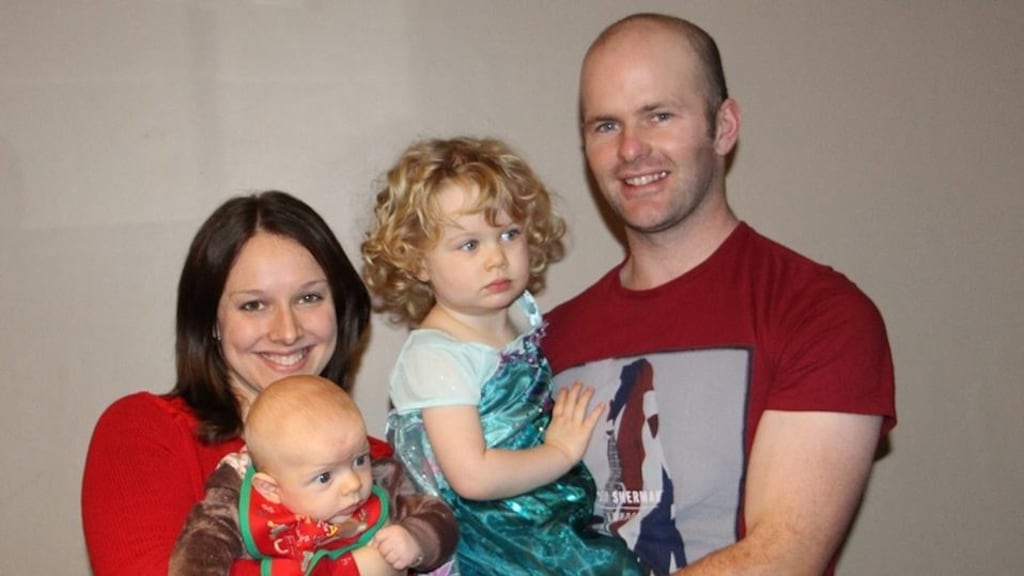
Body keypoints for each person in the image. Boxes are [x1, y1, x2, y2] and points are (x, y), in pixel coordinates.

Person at [542, 13, 897, 576]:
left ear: (724, 126)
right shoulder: (549, 338)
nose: (631, 149)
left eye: (659, 115)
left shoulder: (820, 313)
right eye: (605, 125)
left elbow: (782, 556)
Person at [361, 136, 643, 575]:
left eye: (509, 234)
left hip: (538, 503)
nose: (497, 258)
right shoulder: (436, 355)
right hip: (487, 533)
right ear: (417, 262)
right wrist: (561, 452)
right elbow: (471, 476)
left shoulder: (519, 312)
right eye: (469, 244)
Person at [82, 190, 397, 576]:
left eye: (309, 297)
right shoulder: (145, 431)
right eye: (253, 305)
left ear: (340, 308)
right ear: (211, 322)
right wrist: (355, 569)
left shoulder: (376, 464)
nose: (287, 331)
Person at [168, 374, 457, 575]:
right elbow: (198, 555)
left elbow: (439, 516)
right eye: (324, 478)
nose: (353, 484)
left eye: (359, 460)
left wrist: (416, 540)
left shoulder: (383, 485)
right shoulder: (234, 509)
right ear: (270, 489)